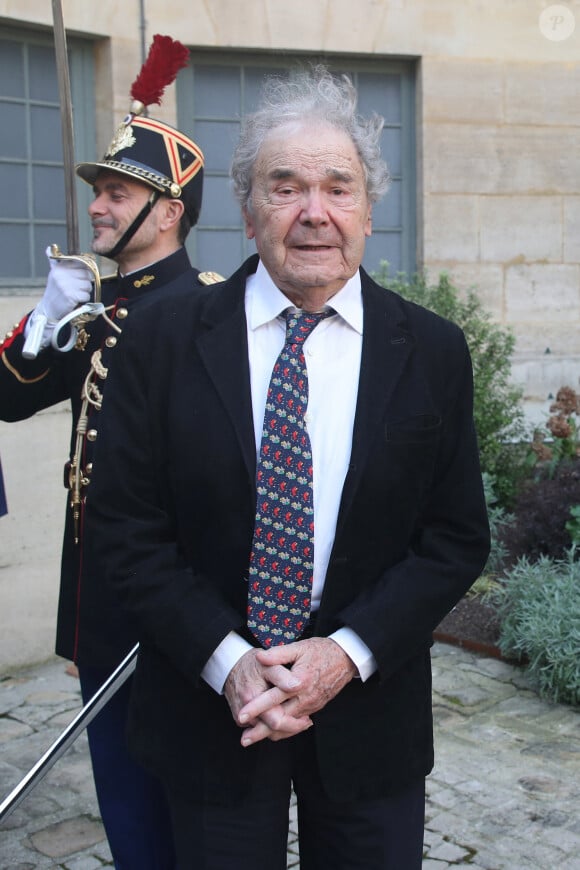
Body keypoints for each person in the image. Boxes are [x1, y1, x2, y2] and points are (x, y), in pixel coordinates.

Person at [86, 65, 490, 870]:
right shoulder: (162, 343)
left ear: (371, 212)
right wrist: (230, 663)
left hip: (371, 719)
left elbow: (453, 539)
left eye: (339, 188)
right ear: (246, 211)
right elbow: (124, 530)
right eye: (285, 187)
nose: (314, 213)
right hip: (211, 716)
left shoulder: (433, 351)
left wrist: (345, 653)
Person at [0, 39, 222, 868]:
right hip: (100, 603)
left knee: (192, 807)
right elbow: (9, 398)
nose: (96, 207)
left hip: (182, 609)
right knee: (126, 804)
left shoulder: (211, 314)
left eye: (117, 192)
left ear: (167, 211)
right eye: (97, 191)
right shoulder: (86, 311)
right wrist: (40, 323)